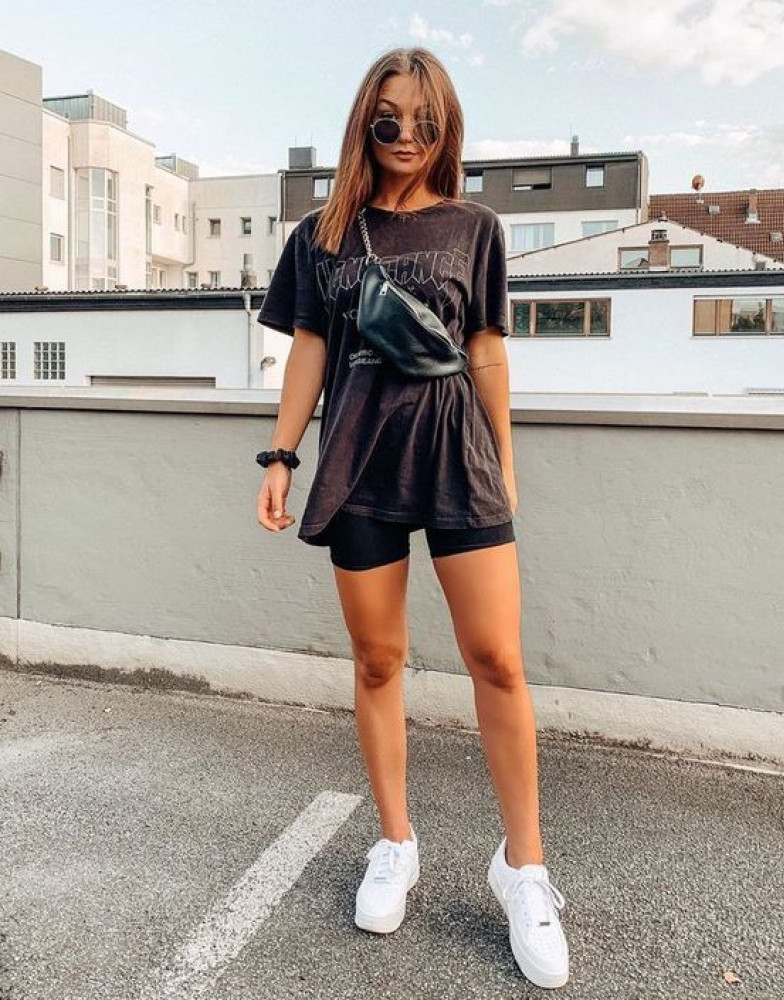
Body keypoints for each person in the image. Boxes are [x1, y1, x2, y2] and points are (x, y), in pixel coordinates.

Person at [255, 46, 570, 990]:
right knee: (379, 660)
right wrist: (281, 455)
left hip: (456, 454)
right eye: (387, 118)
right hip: (357, 457)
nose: (404, 135)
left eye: (423, 120)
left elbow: (485, 349)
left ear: (447, 128)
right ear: (365, 121)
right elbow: (310, 346)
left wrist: (505, 462)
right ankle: (395, 842)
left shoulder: (476, 225)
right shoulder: (324, 232)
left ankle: (524, 867)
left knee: (498, 662)